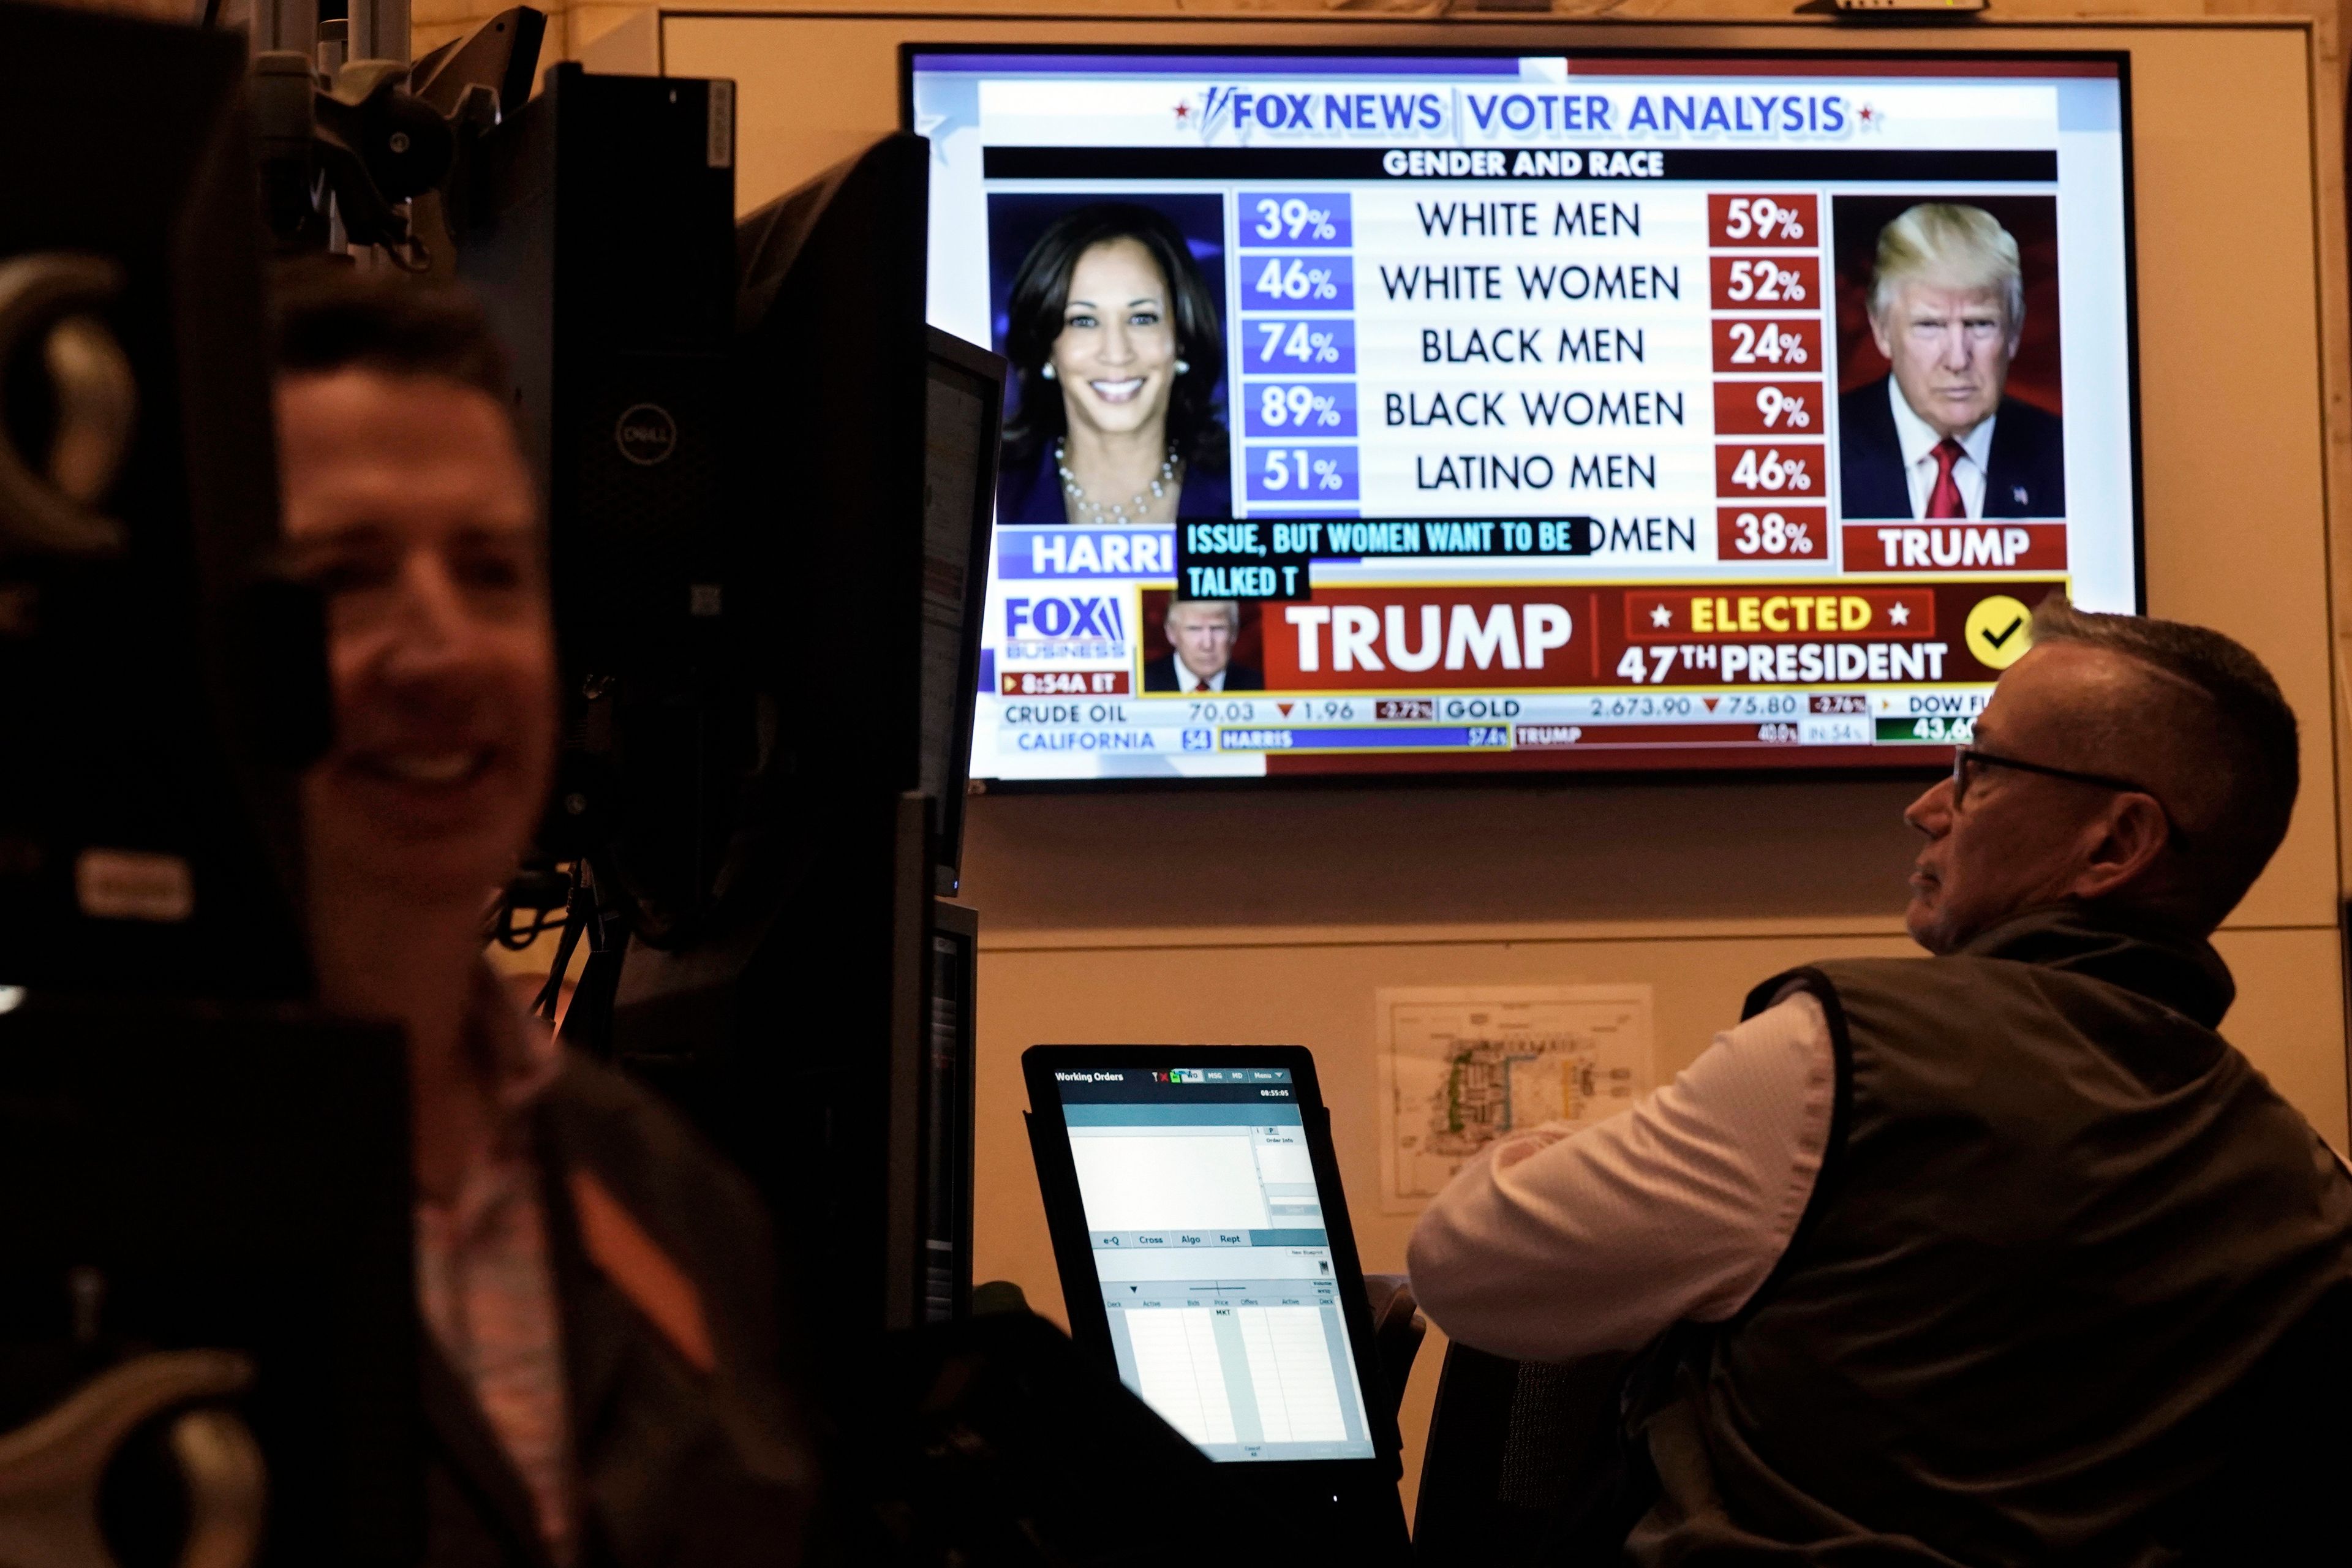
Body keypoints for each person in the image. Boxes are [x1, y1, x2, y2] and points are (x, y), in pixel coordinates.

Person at [1408, 596, 2352, 1562]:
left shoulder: (1839, 1057)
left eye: (1978, 771)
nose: (1927, 807)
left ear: (2115, 844)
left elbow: (1465, 1267)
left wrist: (1566, 1152)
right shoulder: (2308, 1188)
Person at [272, 266, 814, 1567]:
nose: (445, 646)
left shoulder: (665, 1191)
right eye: (348, 575)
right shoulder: (80, 1171)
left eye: (493, 570)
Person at [996, 202, 1231, 526]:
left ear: (1181, 337)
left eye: (1142, 318)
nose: (1117, 353)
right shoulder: (994, 496)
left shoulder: (1245, 492)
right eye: (1084, 321)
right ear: (1047, 347)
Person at [1837, 203, 2065, 520]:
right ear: (1882, 331)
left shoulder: (2066, 456)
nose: (1958, 360)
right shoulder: (1821, 450)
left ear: (2014, 332)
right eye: (1930, 326)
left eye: (1980, 324)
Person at [1142, 598, 1260, 693]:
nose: (1207, 645)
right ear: (1171, 633)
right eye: (1194, 629)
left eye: (1217, 628)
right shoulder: (1142, 685)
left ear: (1234, 633)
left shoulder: (1259, 687)